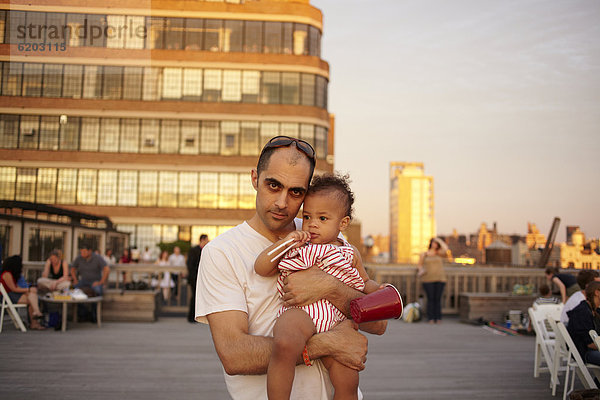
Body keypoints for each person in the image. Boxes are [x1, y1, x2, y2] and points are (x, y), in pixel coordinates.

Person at [196, 135, 385, 399]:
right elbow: (234, 355)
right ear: (254, 179)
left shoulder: (328, 237)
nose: (283, 202)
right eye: (273, 185)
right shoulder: (222, 253)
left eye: (295, 191)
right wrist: (326, 344)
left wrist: (330, 288)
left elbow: (378, 324)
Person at [254, 173, 383, 400]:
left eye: (323, 219)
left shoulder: (349, 252)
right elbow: (261, 267)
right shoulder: (298, 243)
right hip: (302, 313)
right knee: (284, 343)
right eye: (307, 216)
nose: (312, 224)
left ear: (343, 223)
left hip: (337, 321)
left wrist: (378, 292)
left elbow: (364, 283)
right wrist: (286, 243)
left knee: (348, 378)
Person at [0, 255, 45, 330]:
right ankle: (36, 315)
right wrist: (28, 290)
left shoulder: (11, 274)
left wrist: (29, 290)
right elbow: (14, 289)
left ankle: (35, 319)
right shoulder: (7, 274)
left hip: (12, 295)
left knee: (32, 296)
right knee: (32, 297)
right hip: (8, 297)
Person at [566, 281, 600, 366]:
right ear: (597, 292)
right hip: (585, 352)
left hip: (593, 349)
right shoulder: (582, 312)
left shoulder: (594, 311)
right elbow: (589, 343)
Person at [417, 237, 449, 324]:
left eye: (436, 243)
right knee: (430, 299)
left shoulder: (440, 253)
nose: (435, 244)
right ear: (430, 243)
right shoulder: (424, 254)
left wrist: (438, 240)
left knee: (438, 299)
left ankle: (438, 317)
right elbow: (419, 265)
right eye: (433, 242)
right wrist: (421, 271)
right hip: (428, 279)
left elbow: (446, 248)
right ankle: (430, 318)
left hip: (440, 278)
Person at [186, 235, 209, 323]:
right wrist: (194, 276)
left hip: (202, 278)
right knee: (194, 297)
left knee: (200, 297)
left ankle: (198, 316)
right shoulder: (193, 250)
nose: (208, 241)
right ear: (202, 240)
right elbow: (190, 265)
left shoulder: (206, 250)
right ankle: (191, 317)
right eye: (206, 239)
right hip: (194, 278)